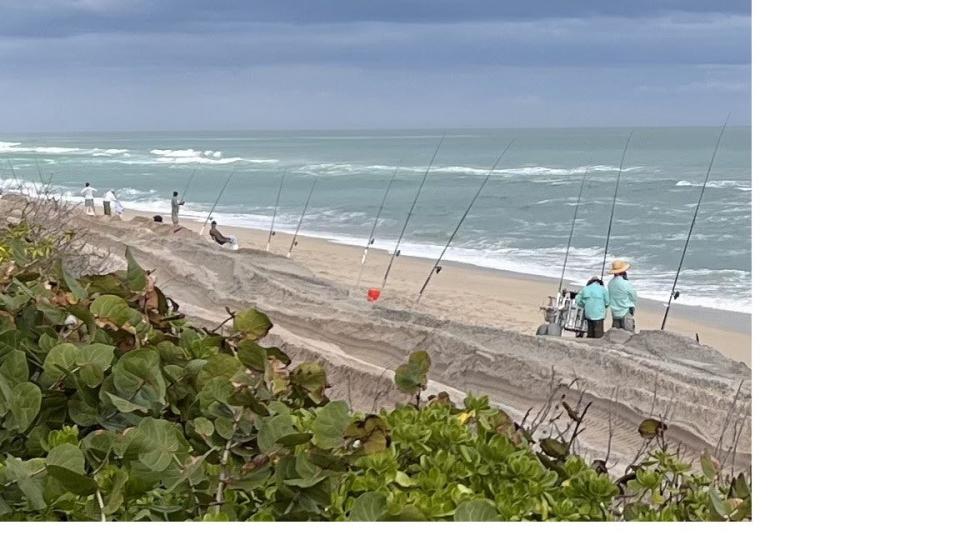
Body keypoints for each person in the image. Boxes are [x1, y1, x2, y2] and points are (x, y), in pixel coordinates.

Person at [607, 260, 637, 330]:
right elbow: (634, 297)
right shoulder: (626, 283)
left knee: (615, 336)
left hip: (614, 313)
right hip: (625, 311)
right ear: (623, 272)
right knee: (628, 334)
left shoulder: (610, 283)